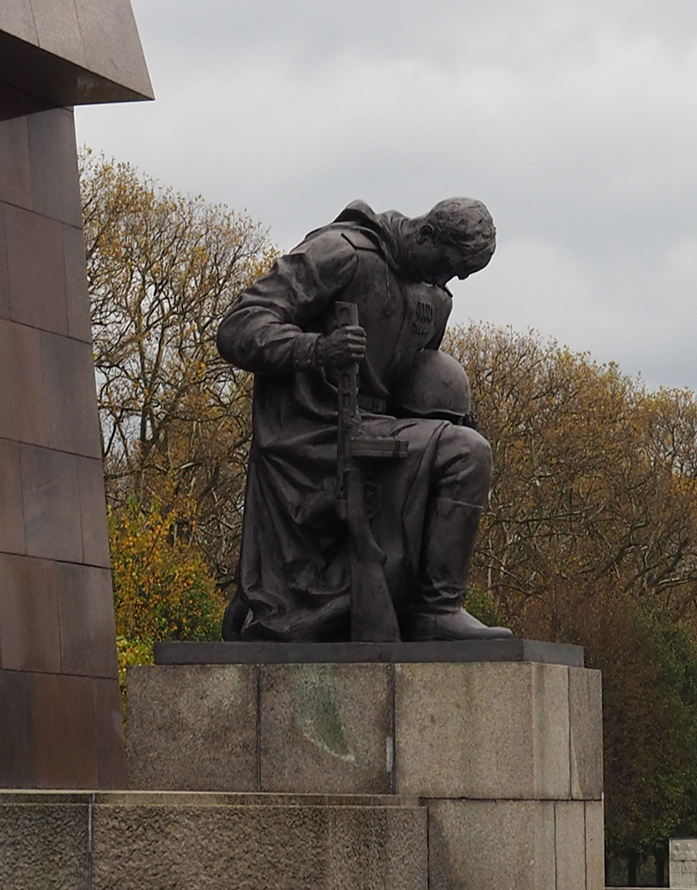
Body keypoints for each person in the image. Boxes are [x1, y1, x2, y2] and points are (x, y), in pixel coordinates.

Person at [214, 196, 505, 643]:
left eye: (459, 275)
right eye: (447, 266)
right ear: (427, 234)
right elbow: (238, 327)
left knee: (465, 448)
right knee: (467, 453)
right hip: (307, 436)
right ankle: (435, 609)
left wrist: (452, 414)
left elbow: (410, 383)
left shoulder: (435, 298)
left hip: (376, 427)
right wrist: (315, 349)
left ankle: (433, 608)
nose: (446, 281)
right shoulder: (341, 252)